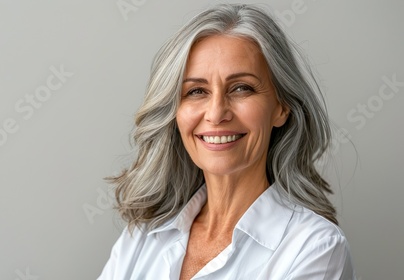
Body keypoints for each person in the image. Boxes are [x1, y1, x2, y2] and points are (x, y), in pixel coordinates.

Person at [98, 3, 355, 280]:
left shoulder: (316, 248)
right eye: (196, 91)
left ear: (281, 107)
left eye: (241, 88)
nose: (217, 113)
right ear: (175, 111)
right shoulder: (142, 236)